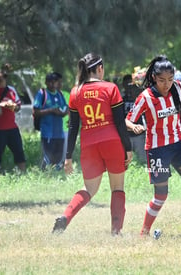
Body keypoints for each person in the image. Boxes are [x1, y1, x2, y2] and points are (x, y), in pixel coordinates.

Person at [125, 55, 181, 236]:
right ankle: (144, 232)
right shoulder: (146, 97)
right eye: (162, 80)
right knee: (161, 196)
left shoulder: (178, 89)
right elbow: (128, 120)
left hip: (179, 144)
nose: (167, 84)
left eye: (170, 80)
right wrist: (134, 126)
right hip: (157, 149)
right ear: (155, 78)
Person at [52, 53, 132, 235]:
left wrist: (68, 156)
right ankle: (116, 231)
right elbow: (120, 123)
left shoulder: (75, 92)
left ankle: (65, 217)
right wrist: (128, 148)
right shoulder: (111, 88)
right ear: (100, 68)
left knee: (89, 188)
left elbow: (72, 127)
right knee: (117, 187)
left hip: (89, 144)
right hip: (112, 142)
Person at [0, 64, 26, 172]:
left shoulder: (11, 90)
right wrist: (1, 105)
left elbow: (18, 107)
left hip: (12, 127)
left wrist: (11, 106)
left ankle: (23, 173)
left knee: (19, 151)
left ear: (5, 79)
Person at [33, 73, 68, 170]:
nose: (53, 84)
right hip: (47, 132)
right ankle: (45, 173)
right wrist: (51, 110)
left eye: (55, 82)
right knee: (48, 157)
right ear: (46, 82)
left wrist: (64, 112)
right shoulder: (42, 94)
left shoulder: (60, 94)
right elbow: (36, 112)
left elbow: (65, 107)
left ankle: (56, 176)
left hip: (59, 133)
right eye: (50, 82)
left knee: (58, 158)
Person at [122, 74, 147, 163]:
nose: (129, 87)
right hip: (126, 134)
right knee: (125, 159)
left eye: (131, 84)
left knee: (143, 159)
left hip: (139, 133)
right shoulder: (121, 99)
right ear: (123, 84)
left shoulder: (140, 97)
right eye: (127, 84)